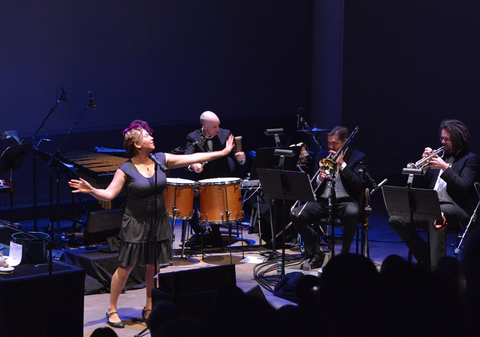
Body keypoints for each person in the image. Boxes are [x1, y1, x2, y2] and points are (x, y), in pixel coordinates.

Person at [68, 120, 235, 329]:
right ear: (137, 145)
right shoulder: (126, 169)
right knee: (126, 266)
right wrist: (92, 190)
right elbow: (109, 193)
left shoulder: (161, 160)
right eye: (147, 136)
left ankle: (149, 306)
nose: (152, 137)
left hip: (158, 220)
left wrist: (222, 152)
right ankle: (112, 308)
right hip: (136, 222)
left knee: (153, 265)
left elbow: (192, 157)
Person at [389, 119, 480, 269]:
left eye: (447, 139)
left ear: (458, 139)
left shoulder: (471, 160)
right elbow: (424, 187)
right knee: (396, 219)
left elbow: (463, 188)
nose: (443, 142)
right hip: (433, 206)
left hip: (459, 209)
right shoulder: (441, 157)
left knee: (436, 215)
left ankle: (438, 271)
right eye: (441, 138)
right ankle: (427, 258)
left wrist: (445, 168)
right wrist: (423, 170)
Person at [290, 126, 367, 269]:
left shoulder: (357, 157)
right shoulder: (322, 155)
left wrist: (342, 165)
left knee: (353, 212)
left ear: (345, 142)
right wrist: (319, 178)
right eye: (329, 143)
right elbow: (313, 186)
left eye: (335, 143)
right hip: (323, 201)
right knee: (296, 214)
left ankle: (344, 255)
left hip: (346, 201)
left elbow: (358, 185)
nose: (331, 147)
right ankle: (317, 252)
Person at [184, 110, 246, 247]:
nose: (218, 129)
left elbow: (236, 155)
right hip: (202, 181)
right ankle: (202, 233)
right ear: (204, 127)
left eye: (218, 125)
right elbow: (186, 158)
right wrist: (193, 165)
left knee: (214, 201)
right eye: (215, 127)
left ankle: (216, 236)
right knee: (186, 204)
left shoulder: (225, 134)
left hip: (222, 181)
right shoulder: (193, 137)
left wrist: (240, 158)